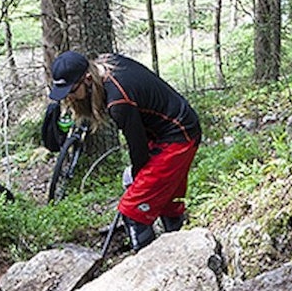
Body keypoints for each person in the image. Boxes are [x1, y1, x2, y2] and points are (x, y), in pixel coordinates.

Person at [48, 50, 201, 250]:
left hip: (178, 134)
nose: (69, 97)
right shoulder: (107, 61)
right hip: (165, 129)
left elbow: (138, 149)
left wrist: (137, 176)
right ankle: (178, 241)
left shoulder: (119, 101)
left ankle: (147, 259)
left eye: (71, 90)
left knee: (132, 210)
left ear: (88, 79)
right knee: (165, 200)